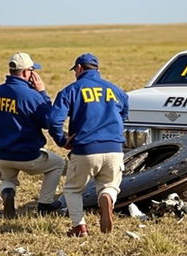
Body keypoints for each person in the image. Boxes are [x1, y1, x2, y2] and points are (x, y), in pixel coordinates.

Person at [49, 53, 129, 237]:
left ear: (79, 69)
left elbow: (54, 120)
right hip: (115, 149)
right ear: (97, 69)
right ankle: (106, 197)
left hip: (85, 150)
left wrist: (62, 140)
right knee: (109, 185)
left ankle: (79, 227)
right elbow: (124, 114)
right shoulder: (116, 90)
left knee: (73, 190)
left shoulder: (71, 90)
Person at [0, 52, 65, 219]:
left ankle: (8, 194)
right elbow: (48, 122)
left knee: (8, 178)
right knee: (57, 164)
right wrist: (42, 93)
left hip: (2, 154)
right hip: (28, 156)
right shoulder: (32, 96)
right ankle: (45, 203)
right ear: (25, 73)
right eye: (32, 70)